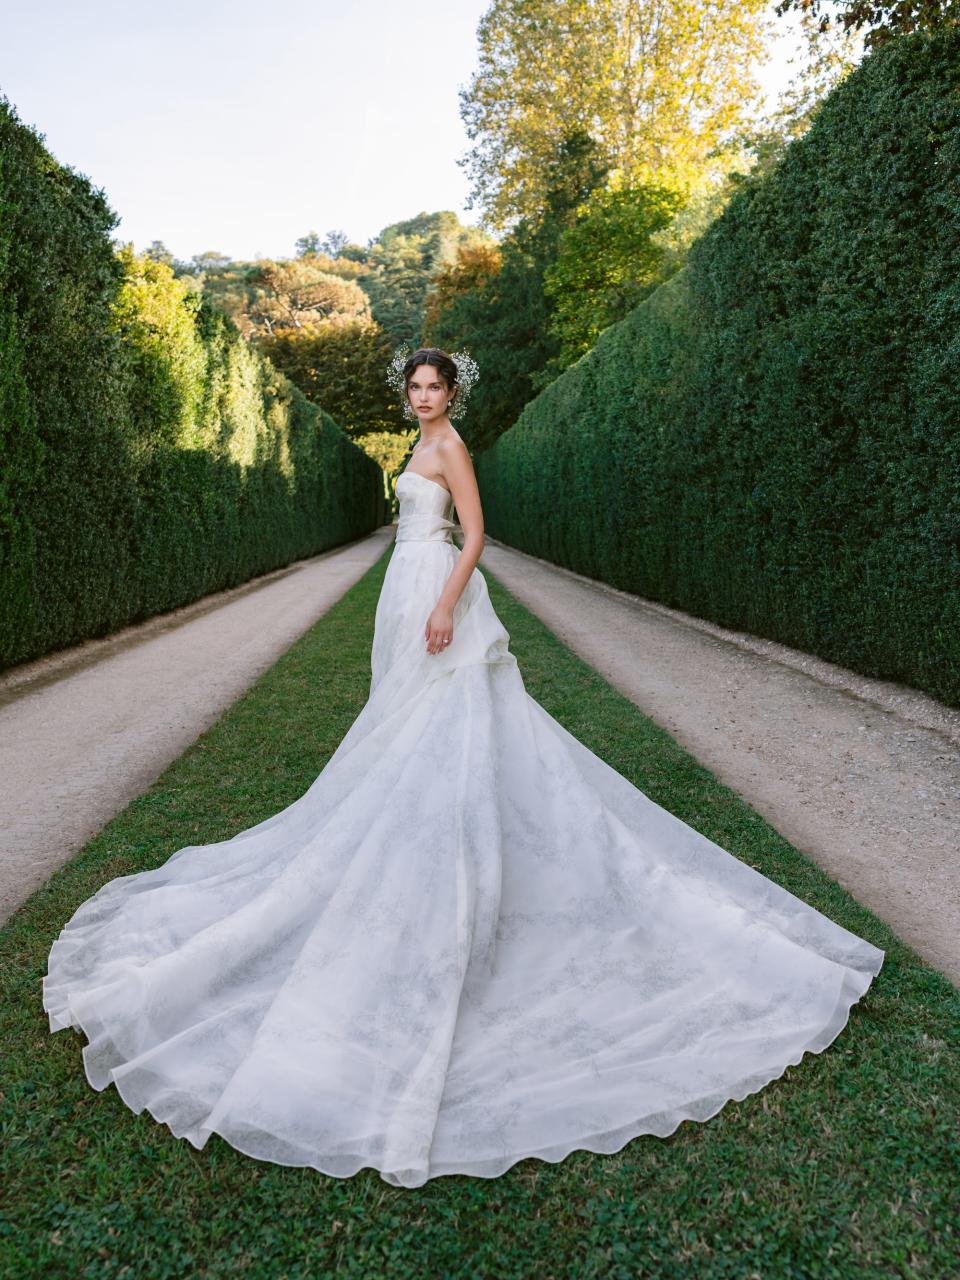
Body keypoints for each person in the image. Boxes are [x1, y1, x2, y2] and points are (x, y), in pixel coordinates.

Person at [42, 345, 885, 1189]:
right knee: (398, 729)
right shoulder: (413, 448)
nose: (421, 398)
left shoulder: (450, 450)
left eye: (432, 387)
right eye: (412, 388)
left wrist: (446, 604)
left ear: (453, 394)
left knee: (451, 728)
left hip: (437, 592)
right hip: (406, 588)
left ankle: (452, 858)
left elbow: (475, 533)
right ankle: (412, 838)